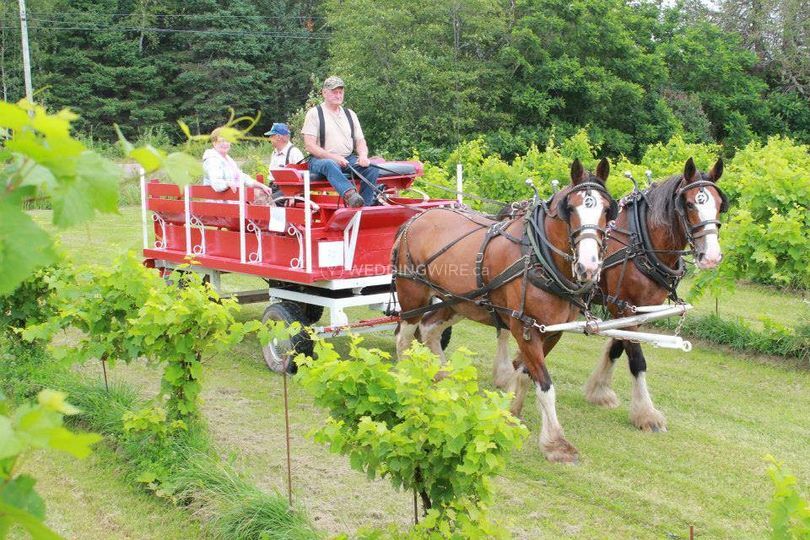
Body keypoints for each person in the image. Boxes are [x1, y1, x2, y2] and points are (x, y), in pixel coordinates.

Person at [302, 76, 380, 208]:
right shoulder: (314, 113)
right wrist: (333, 157)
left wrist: (363, 156)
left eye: (340, 92)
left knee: (371, 168)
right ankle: (351, 196)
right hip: (320, 160)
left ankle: (365, 208)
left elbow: (360, 141)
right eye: (334, 92)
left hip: (347, 158)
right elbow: (309, 145)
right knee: (329, 164)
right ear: (324, 93)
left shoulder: (350, 114)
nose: (338, 95)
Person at [202, 127, 273, 197]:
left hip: (233, 200)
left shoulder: (228, 160)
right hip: (218, 204)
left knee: (262, 199)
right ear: (214, 143)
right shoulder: (212, 160)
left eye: (227, 141)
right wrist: (228, 183)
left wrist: (261, 186)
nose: (225, 144)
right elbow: (217, 184)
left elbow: (242, 177)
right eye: (221, 141)